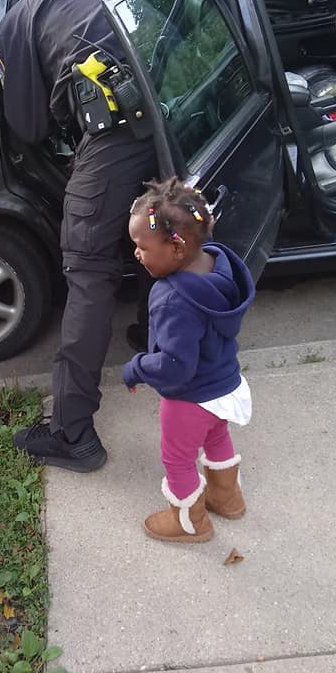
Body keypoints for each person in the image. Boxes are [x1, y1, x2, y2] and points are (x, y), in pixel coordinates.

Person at [0, 0, 158, 472]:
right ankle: (158, 343)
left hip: (117, 125)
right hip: (164, 106)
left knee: (87, 267)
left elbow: (29, 127)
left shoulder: (10, 27)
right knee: (156, 224)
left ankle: (73, 434)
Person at [123, 179, 255, 542]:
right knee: (216, 435)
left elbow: (175, 367)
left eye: (142, 246)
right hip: (225, 383)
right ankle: (228, 498)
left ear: (176, 248)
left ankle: (189, 523)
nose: (136, 253)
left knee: (178, 459)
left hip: (190, 399)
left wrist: (136, 368)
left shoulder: (171, 298)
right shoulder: (218, 265)